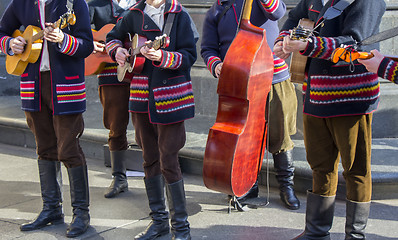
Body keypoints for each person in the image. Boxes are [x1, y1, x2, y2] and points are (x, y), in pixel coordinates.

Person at [274, 0, 386, 239]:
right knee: (320, 166)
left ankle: (354, 235)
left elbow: (355, 44)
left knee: (356, 169)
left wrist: (307, 45)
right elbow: (294, 18)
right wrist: (282, 41)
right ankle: (316, 233)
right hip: (315, 95)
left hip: (351, 99)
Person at [0, 0, 93, 238]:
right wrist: (10, 43)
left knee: (69, 149)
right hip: (33, 85)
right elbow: (2, 32)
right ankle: (51, 209)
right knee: (44, 148)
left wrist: (64, 39)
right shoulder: (20, 3)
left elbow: (87, 46)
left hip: (65, 86)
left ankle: (81, 213)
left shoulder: (73, 3)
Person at [105, 0, 197, 239]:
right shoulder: (133, 14)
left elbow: (189, 57)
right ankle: (158, 222)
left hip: (171, 98)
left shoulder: (179, 14)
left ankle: (181, 227)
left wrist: (163, 56)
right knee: (149, 159)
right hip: (141, 97)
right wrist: (118, 51)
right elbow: (112, 37)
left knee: (169, 159)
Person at [200, 0, 300, 210]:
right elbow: (208, 49)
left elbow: (277, 12)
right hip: (238, 83)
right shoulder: (217, 9)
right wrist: (216, 65)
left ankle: (286, 186)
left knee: (280, 134)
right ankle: (246, 184)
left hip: (272, 75)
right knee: (246, 136)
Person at [88, 0, 137, 199]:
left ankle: (157, 176)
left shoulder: (147, 4)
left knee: (150, 127)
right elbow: (80, 33)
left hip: (143, 71)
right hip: (110, 73)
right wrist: (89, 44)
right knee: (115, 126)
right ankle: (119, 177)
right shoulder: (94, 5)